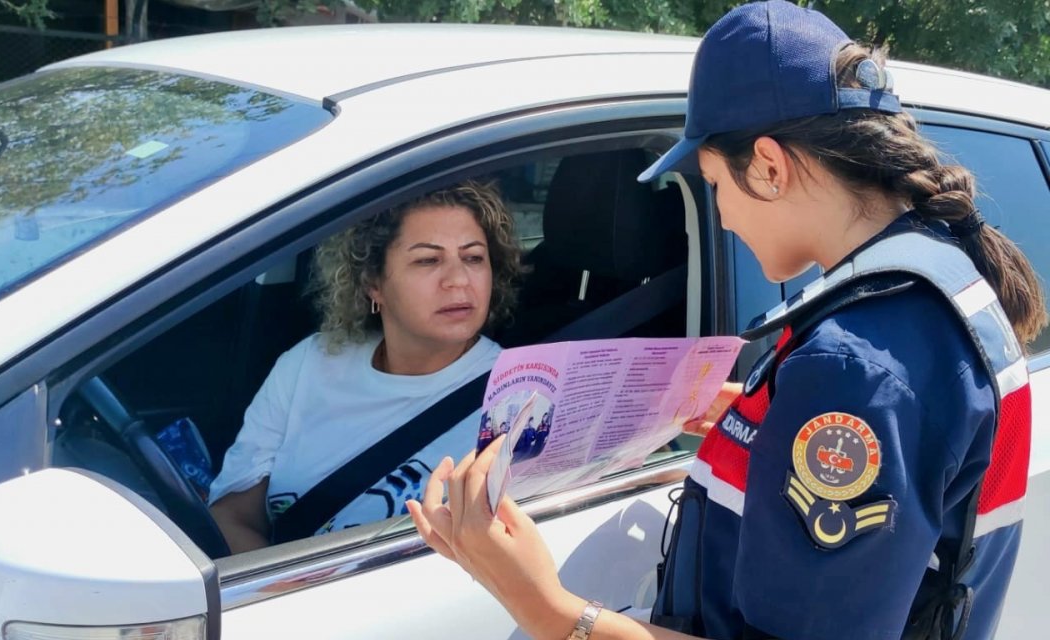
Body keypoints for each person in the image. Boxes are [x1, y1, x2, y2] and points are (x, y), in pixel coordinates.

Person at [406, 3, 1045, 640]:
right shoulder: (940, 277)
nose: (725, 216)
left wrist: (545, 608)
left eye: (714, 183)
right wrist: (769, 416)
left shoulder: (855, 365)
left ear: (768, 166)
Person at [208, 181, 523, 554]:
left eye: (473, 258)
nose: (458, 280)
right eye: (427, 260)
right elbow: (232, 515)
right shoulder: (309, 363)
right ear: (373, 282)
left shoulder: (518, 397)